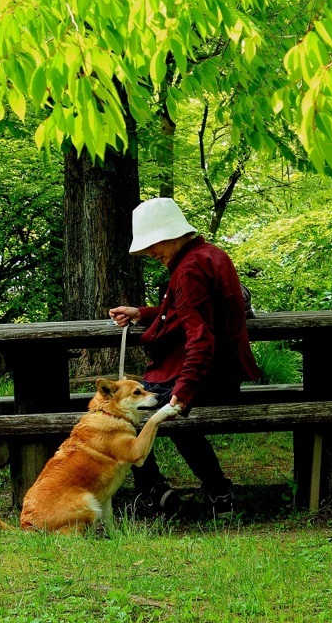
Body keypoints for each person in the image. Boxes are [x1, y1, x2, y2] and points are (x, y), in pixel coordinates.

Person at [109, 197, 260, 519]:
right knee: (150, 409)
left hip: (207, 375)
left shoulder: (189, 269)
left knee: (127, 412)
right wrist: (142, 313)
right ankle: (215, 493)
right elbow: (185, 313)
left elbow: (201, 338)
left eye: (153, 245)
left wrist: (183, 393)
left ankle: (157, 492)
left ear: (171, 234)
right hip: (223, 372)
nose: (151, 253)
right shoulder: (211, 255)